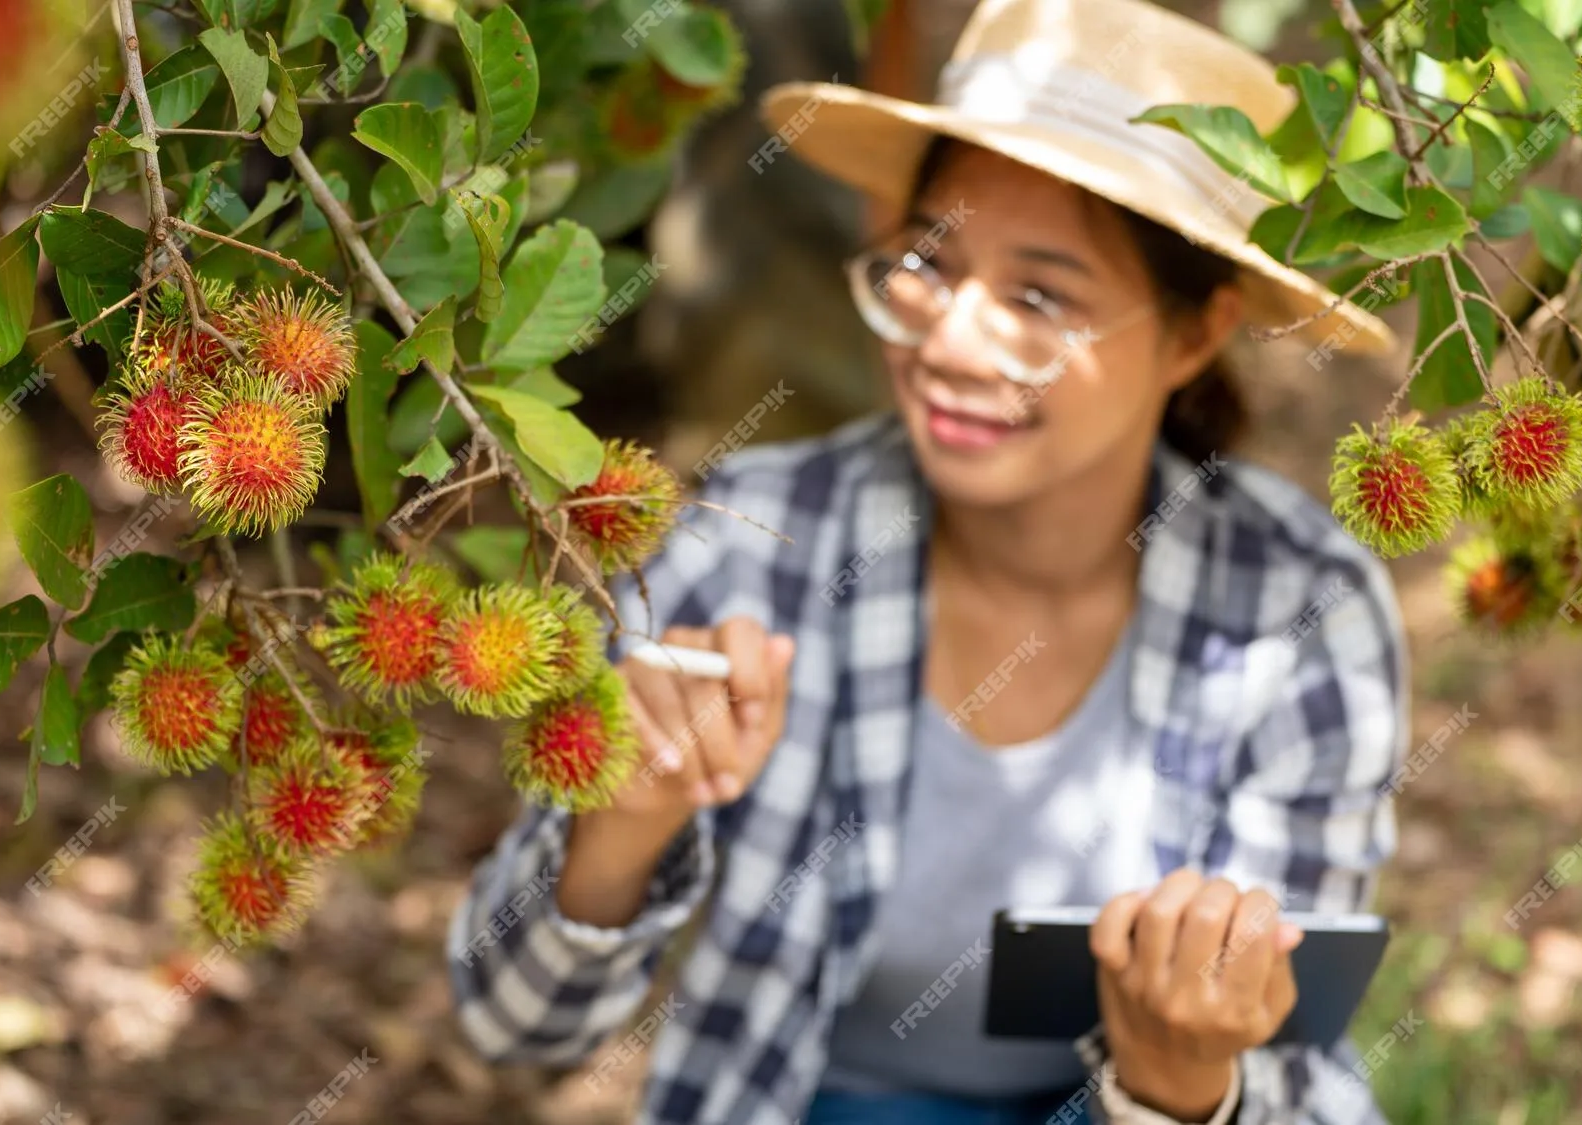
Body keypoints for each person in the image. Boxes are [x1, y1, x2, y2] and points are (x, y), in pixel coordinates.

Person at [448, 0, 1409, 1121]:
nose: (948, 341)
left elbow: (1286, 1067)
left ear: (1193, 335)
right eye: (926, 263)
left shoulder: (1302, 614)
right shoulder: (743, 552)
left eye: (1040, 296)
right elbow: (507, 1026)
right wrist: (626, 819)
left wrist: (1179, 1081)